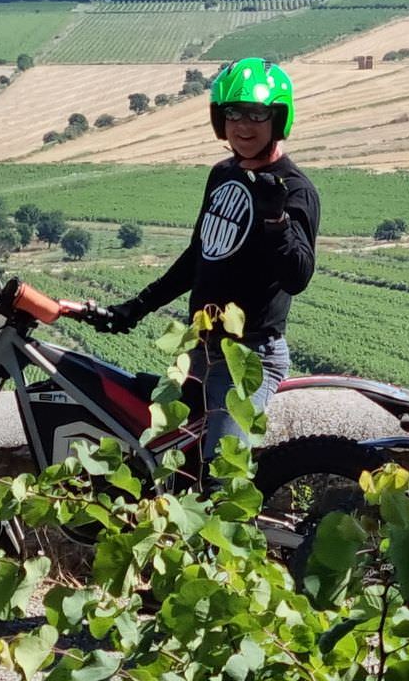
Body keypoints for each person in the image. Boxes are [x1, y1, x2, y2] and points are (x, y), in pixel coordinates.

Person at [83, 57, 319, 466]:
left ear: (278, 118)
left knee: (220, 472)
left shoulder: (294, 189)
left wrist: (276, 219)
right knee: (169, 463)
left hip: (248, 355)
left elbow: (298, 276)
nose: (243, 126)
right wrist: (137, 307)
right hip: (202, 349)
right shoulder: (223, 173)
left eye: (256, 114)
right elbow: (200, 254)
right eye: (232, 114)